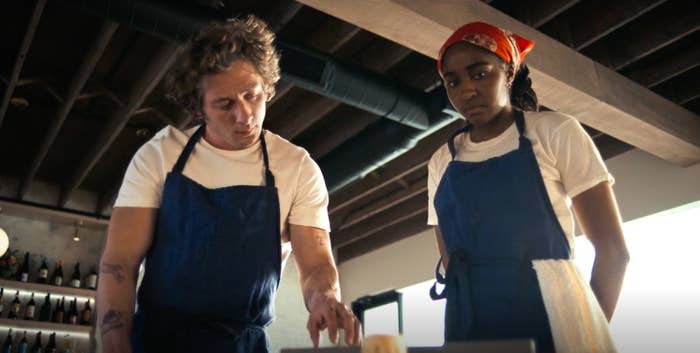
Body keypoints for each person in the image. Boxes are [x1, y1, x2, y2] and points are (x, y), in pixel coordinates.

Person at [96, 15, 360, 353]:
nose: (245, 115)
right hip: (157, 341)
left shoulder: (297, 168)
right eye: (225, 104)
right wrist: (115, 343)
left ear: (267, 87)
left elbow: (317, 265)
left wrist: (325, 299)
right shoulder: (159, 156)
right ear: (198, 106)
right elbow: (119, 263)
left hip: (242, 345)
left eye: (253, 95)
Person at [427, 22, 630, 352]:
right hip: (471, 325)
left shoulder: (555, 132)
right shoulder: (440, 163)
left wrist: (585, 335)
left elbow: (613, 252)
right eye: (453, 81)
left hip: (556, 318)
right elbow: (451, 263)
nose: (466, 90)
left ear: (508, 72)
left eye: (480, 74)